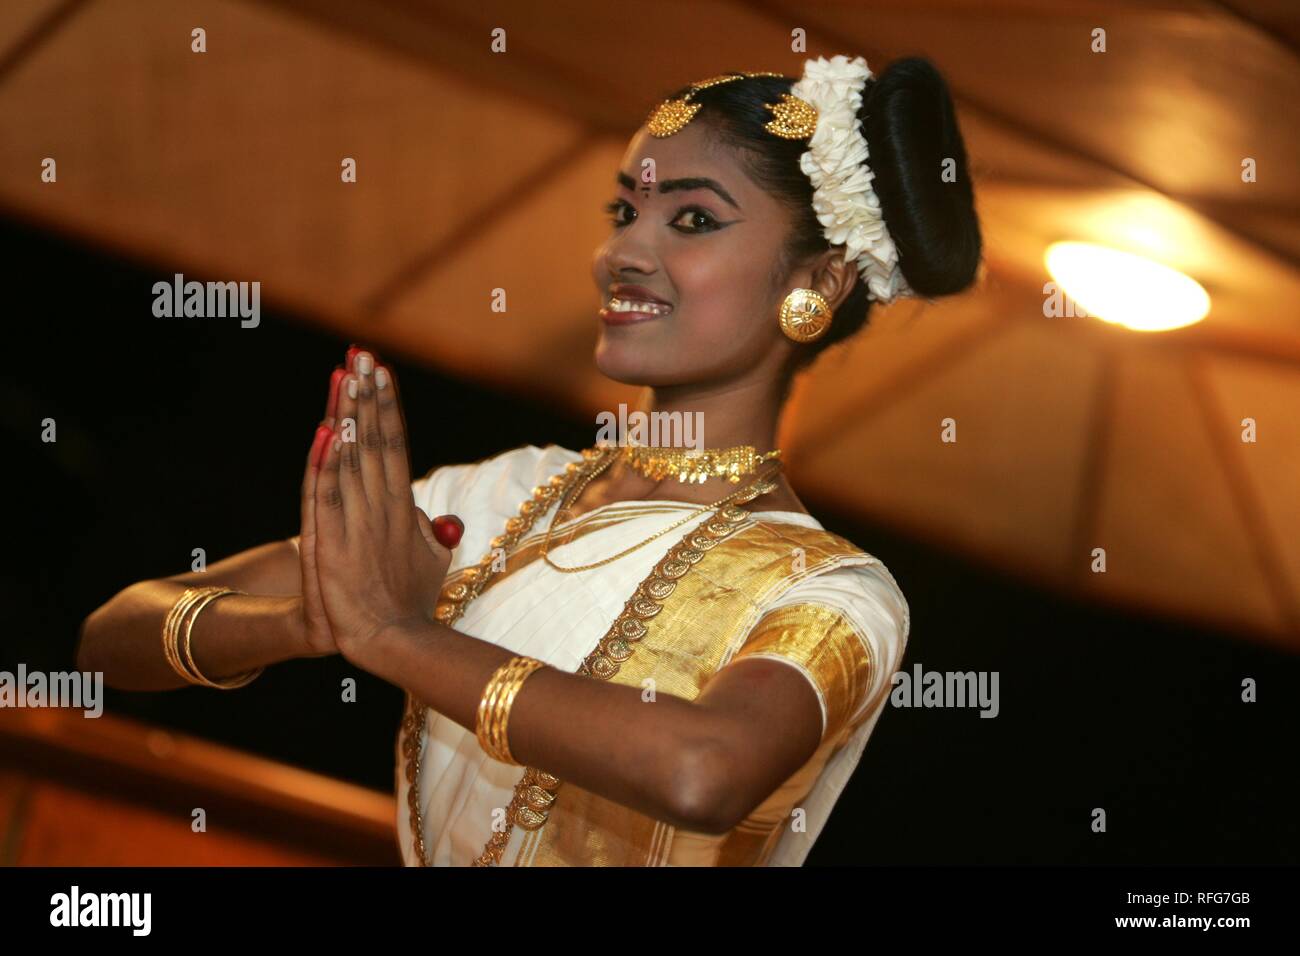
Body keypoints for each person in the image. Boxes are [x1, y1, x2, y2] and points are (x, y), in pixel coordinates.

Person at [78, 53, 981, 866]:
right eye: (626, 208)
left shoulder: (828, 591)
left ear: (817, 282)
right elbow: (109, 638)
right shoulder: (497, 495)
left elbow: (704, 772)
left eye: (694, 218)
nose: (624, 252)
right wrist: (309, 622)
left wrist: (399, 638)